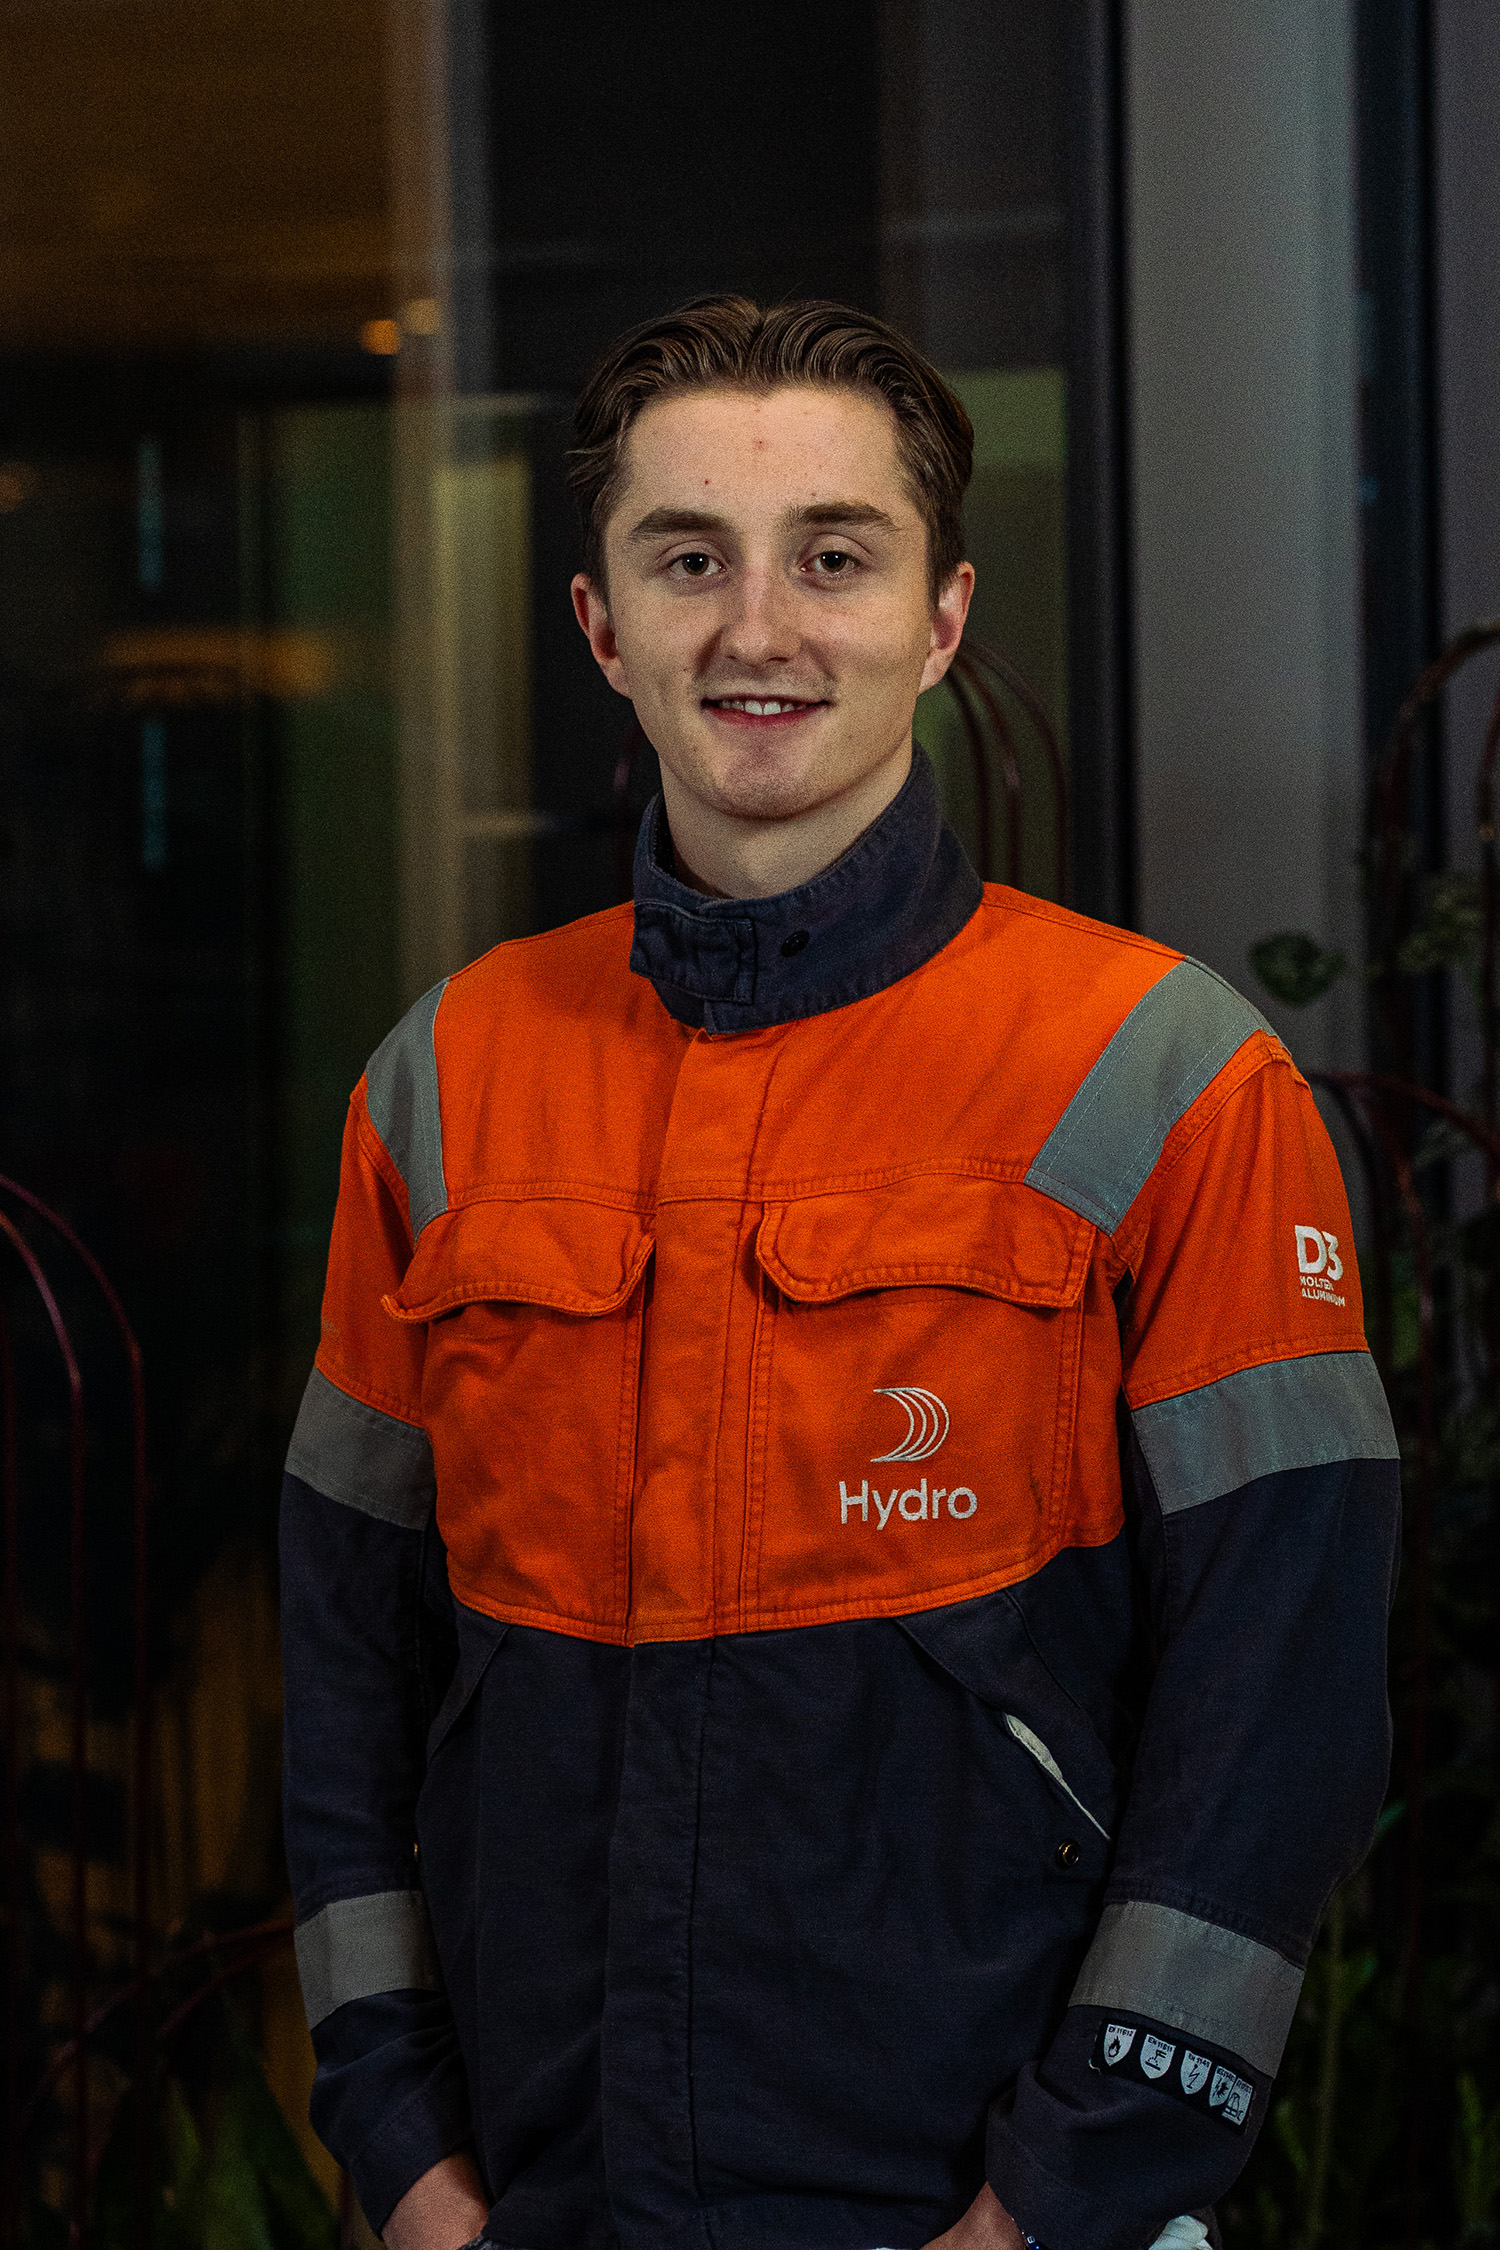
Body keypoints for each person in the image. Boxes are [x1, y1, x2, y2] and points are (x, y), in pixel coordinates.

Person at [279, 297, 1400, 2250]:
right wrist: (402, 2155)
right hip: (536, 2204)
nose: (759, 630)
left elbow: (1279, 1706)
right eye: (688, 559)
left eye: (835, 557)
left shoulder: (1170, 1082)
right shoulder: (442, 1087)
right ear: (601, 625)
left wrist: (1063, 2202)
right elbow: (345, 1667)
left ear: (945, 620)